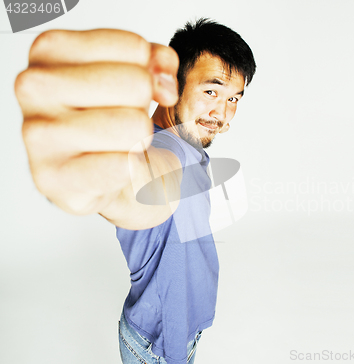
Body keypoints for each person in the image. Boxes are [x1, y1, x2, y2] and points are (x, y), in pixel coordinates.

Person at [15, 18, 256, 364]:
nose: (222, 113)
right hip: (159, 346)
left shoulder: (189, 143)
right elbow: (147, 187)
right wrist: (102, 186)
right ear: (173, 84)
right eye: (211, 91)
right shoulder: (163, 151)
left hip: (182, 333)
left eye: (233, 98)